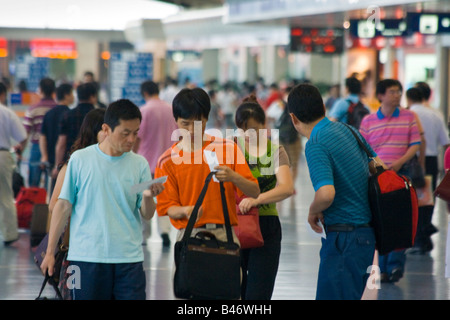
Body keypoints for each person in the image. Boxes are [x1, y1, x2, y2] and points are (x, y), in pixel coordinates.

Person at [41, 99, 164, 300]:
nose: (132, 139)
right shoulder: (80, 160)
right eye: (126, 133)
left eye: (136, 132)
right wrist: (49, 253)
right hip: (85, 258)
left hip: (128, 260)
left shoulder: (139, 164)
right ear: (106, 129)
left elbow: (147, 214)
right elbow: (62, 206)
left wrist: (149, 196)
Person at [287, 83, 384, 300]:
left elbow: (326, 194)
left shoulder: (316, 143)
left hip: (343, 239)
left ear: (293, 118)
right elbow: (379, 166)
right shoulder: (348, 129)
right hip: (365, 238)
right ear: (322, 106)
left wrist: (312, 211)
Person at [154, 88, 260, 272]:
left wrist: (233, 177)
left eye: (198, 123)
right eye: (185, 123)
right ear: (176, 121)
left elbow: (254, 191)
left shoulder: (227, 148)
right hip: (189, 236)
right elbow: (167, 207)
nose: (191, 130)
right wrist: (186, 210)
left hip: (224, 236)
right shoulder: (167, 161)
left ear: (206, 118)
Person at [359, 79, 421, 283]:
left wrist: (398, 162)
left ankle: (395, 266)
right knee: (382, 221)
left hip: (401, 175)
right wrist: (378, 167)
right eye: (392, 91)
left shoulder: (409, 117)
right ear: (381, 96)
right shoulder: (368, 121)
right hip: (377, 178)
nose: (397, 95)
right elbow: (362, 150)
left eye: (398, 91)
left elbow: (414, 144)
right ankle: (383, 268)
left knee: (400, 221)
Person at [234, 95, 294, 300]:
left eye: (253, 129)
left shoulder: (275, 151)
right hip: (234, 225)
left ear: (264, 124)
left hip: (265, 226)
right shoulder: (231, 148)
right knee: (233, 293)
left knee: (258, 295)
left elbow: (286, 188)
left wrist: (257, 200)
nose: (247, 135)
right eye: (242, 130)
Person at [133, 80, 178, 247]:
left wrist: (133, 156)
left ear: (144, 93)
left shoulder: (143, 111)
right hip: (167, 162)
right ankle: (165, 231)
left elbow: (137, 137)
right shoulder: (170, 109)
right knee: (165, 197)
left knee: (144, 198)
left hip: (146, 162)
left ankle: (145, 235)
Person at [407, 87, 449, 253]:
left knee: (411, 200)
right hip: (431, 160)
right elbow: (446, 142)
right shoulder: (435, 114)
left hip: (410, 160)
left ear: (409, 98)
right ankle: (423, 235)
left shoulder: (407, 114)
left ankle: (418, 238)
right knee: (427, 200)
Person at [0, 82, 27, 245]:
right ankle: (9, 234)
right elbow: (22, 137)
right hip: (2, 155)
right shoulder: (6, 112)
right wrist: (19, 151)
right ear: (3, 95)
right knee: (5, 196)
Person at [53, 82, 97, 176]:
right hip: (94, 163)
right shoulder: (100, 116)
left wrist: (57, 166)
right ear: (93, 97)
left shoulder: (67, 115)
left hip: (71, 161)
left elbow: (61, 143)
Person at [39, 83, 74, 195]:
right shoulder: (70, 115)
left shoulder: (49, 114)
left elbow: (42, 137)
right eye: (72, 93)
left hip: (50, 160)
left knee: (52, 192)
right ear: (66, 95)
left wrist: (44, 156)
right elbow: (62, 142)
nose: (73, 97)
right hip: (65, 161)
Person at [22, 77, 57, 187]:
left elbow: (25, 133)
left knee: (33, 185)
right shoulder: (58, 109)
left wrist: (21, 151)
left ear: (40, 90)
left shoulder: (32, 109)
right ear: (53, 91)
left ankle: (34, 204)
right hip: (54, 148)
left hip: (36, 147)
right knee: (50, 183)